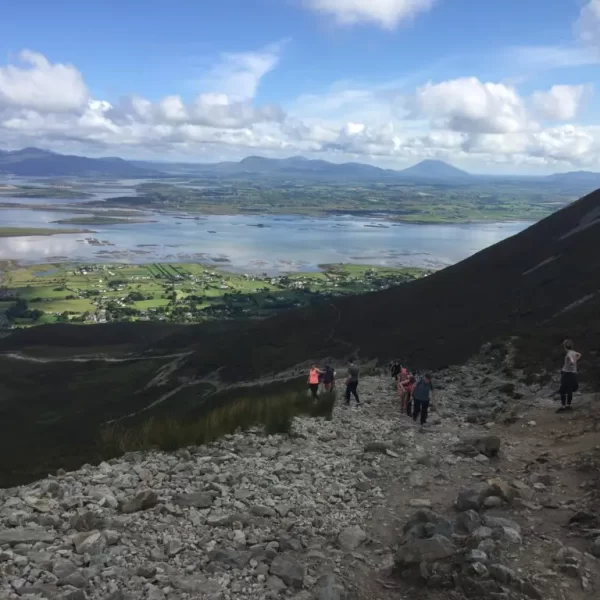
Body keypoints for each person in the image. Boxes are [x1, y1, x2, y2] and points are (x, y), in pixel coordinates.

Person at [557, 339, 581, 412]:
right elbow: (579, 354)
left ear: (565, 346)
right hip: (573, 373)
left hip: (566, 373)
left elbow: (571, 361)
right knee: (569, 390)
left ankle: (563, 406)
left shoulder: (568, 354)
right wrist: (576, 359)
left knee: (562, 391)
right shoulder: (573, 352)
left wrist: (570, 364)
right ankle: (568, 405)